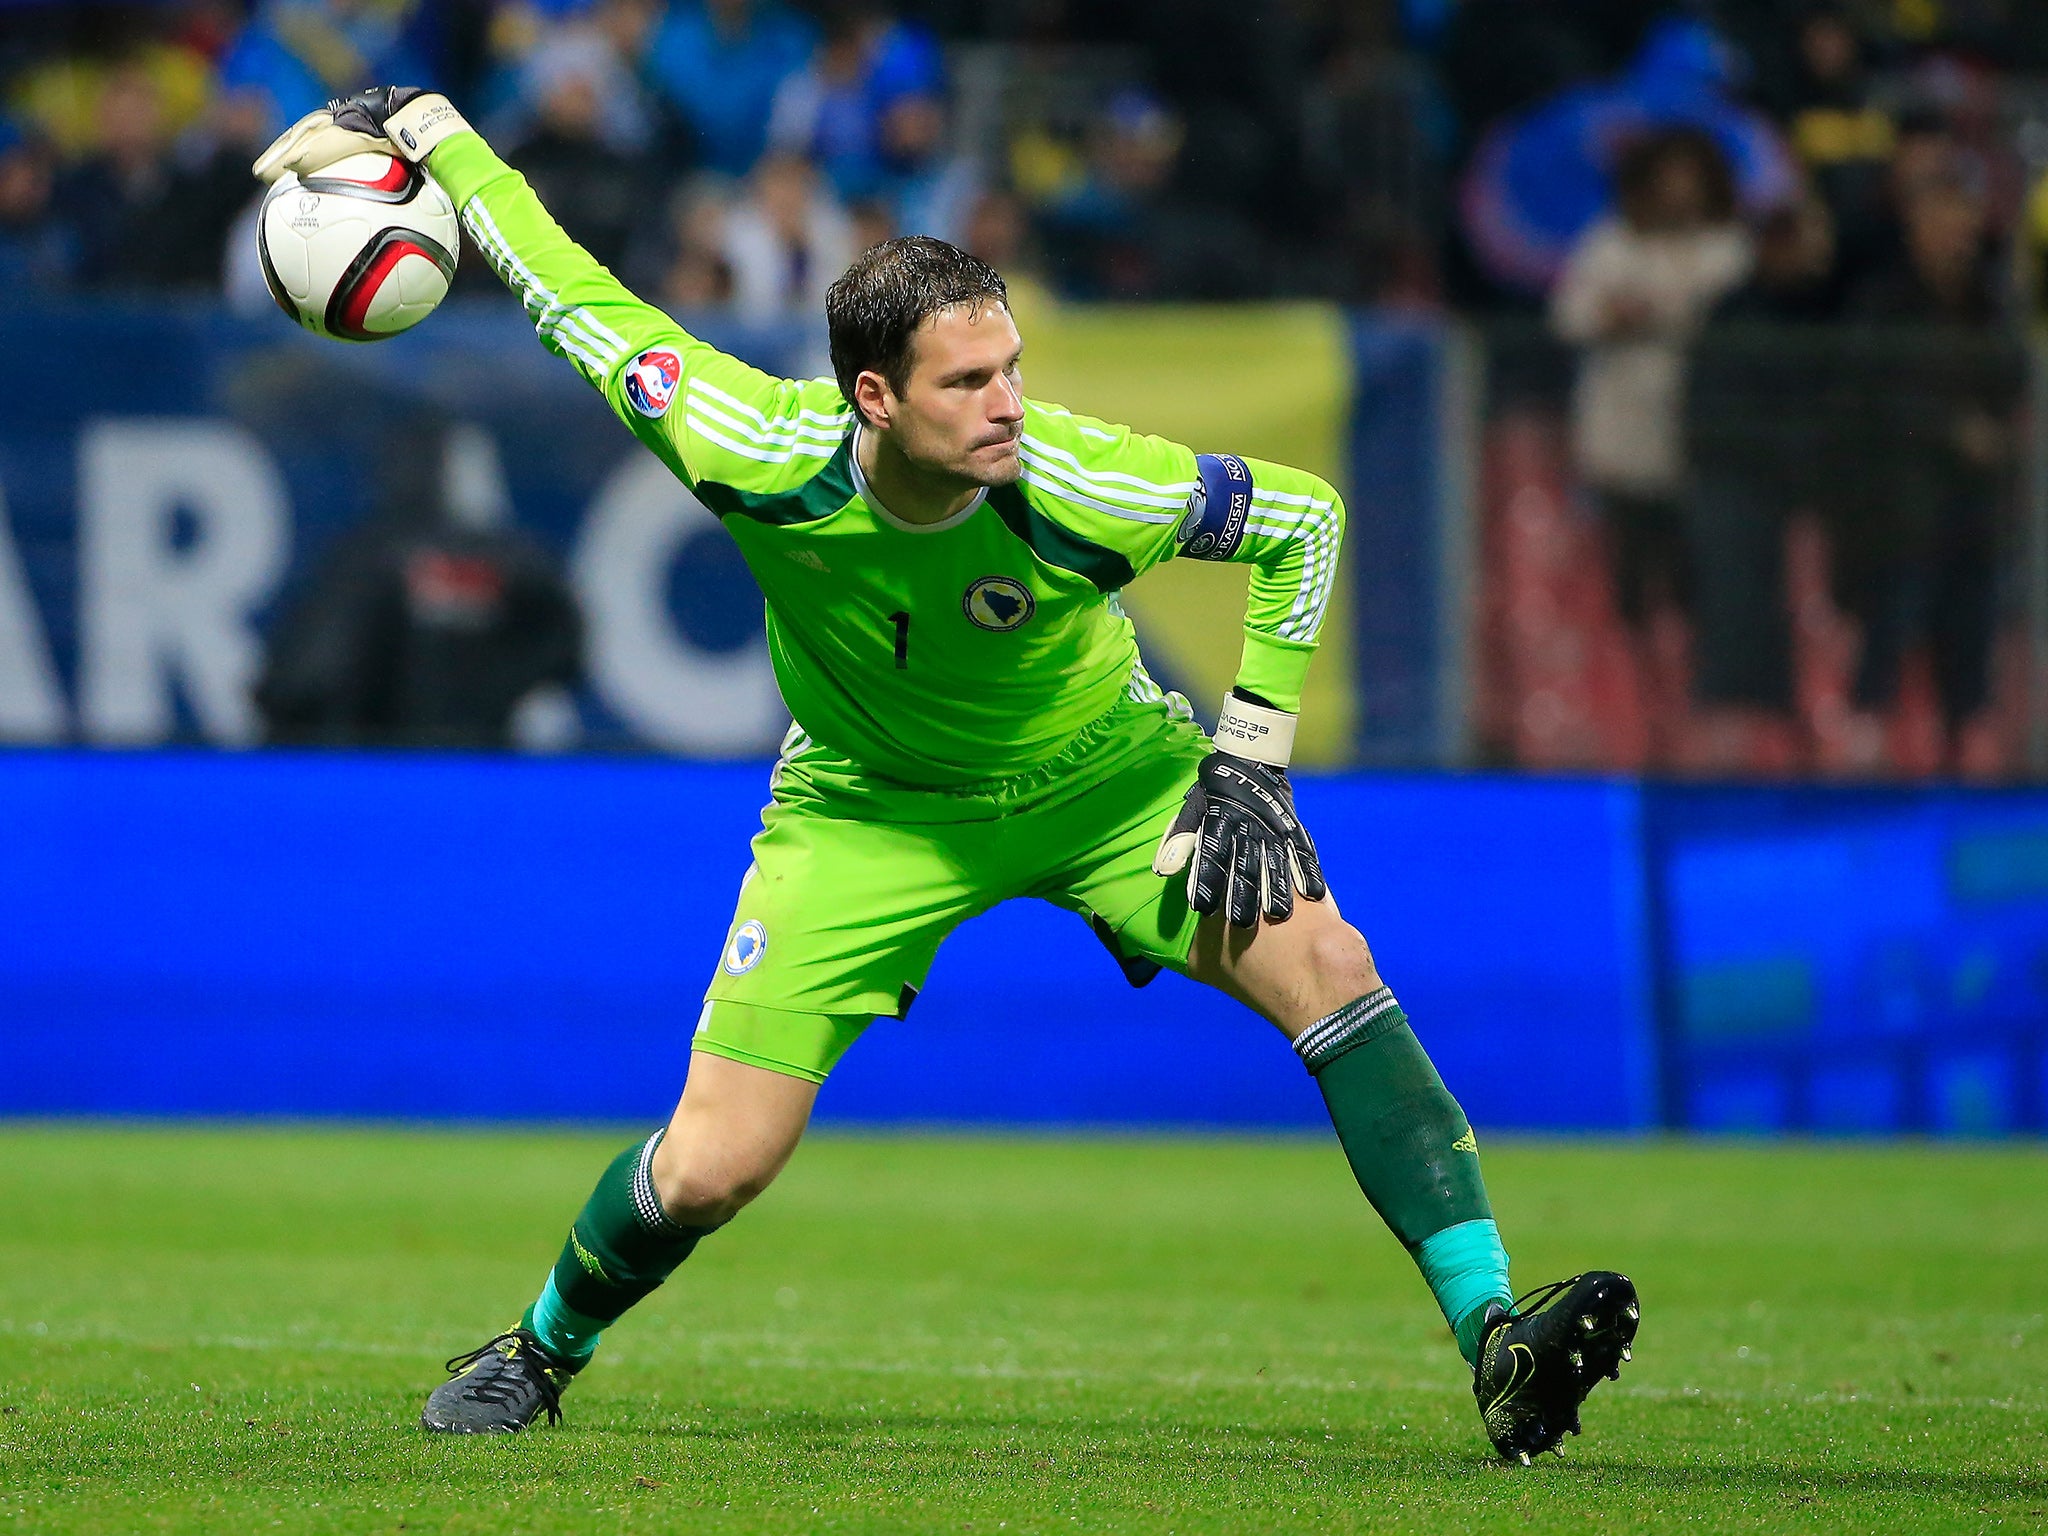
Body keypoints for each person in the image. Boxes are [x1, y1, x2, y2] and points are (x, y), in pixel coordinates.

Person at [255, 85, 1640, 1464]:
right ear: (874, 394)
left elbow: (1302, 521)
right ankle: (538, 1349)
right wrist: (436, 133)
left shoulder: (1084, 482)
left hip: (1107, 779)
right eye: (968, 384)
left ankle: (1495, 1339)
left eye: (1014, 369)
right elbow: (575, 297)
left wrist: (1252, 759)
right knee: (711, 1167)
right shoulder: (748, 445)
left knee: (1332, 966)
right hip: (867, 808)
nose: (1009, 408)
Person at [1550, 128, 1751, 765]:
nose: (1679, 189)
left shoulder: (1730, 250)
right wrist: (1619, 315)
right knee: (1629, 588)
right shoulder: (1610, 245)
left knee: (1703, 588)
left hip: (1706, 449)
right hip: (1622, 452)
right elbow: (1568, 316)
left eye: (1691, 175)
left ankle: (1698, 719)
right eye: (1668, 175)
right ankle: (1637, 717)